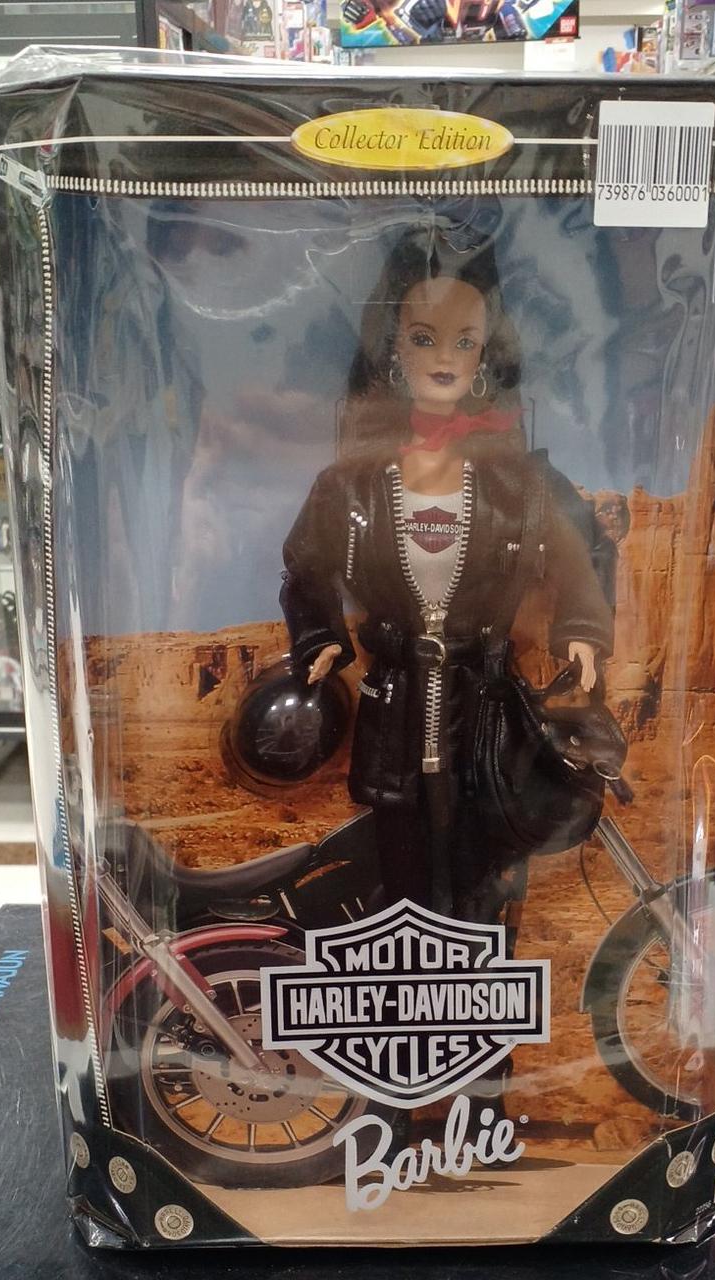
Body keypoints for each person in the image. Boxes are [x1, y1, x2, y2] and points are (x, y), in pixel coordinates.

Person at [280, 223, 613, 925]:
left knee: (483, 874)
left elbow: (583, 548)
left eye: (464, 341)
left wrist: (581, 628)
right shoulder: (353, 482)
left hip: (487, 709)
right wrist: (321, 638)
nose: (443, 357)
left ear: (485, 355)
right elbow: (306, 565)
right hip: (394, 704)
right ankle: (409, 978)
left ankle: (479, 975)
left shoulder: (521, 482)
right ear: (395, 349)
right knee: (399, 864)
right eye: (424, 337)